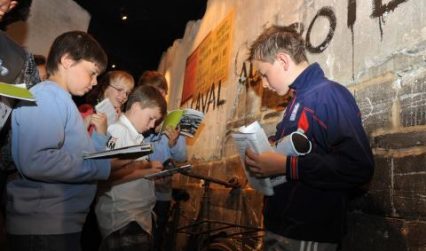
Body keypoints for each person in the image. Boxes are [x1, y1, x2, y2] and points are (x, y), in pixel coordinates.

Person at [246, 25, 374, 250]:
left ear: (283, 60)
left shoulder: (328, 95)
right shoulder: (297, 100)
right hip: (282, 227)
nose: (264, 84)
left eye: (264, 75)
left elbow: (358, 166)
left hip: (307, 232)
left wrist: (287, 165)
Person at [7, 30, 111, 251]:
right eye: (92, 73)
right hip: (44, 228)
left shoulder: (59, 99)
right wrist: (98, 166)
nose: (94, 83)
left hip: (54, 225)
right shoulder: (46, 96)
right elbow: (37, 161)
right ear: (67, 60)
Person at [95, 85, 168, 251]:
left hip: (137, 219)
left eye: (155, 121)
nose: (152, 125)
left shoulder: (136, 136)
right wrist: (145, 171)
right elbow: (104, 173)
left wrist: (150, 175)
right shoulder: (117, 131)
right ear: (136, 107)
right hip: (124, 220)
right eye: (151, 118)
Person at [137, 70, 187, 251]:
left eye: (164, 92)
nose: (162, 96)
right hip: (140, 193)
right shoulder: (138, 120)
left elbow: (182, 157)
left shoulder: (173, 120)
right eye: (156, 91)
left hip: (162, 194)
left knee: (157, 241)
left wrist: (173, 143)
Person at [79, 70, 135, 134]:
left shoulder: (122, 118)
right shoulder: (87, 111)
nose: (125, 96)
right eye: (119, 90)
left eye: (127, 93)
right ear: (106, 87)